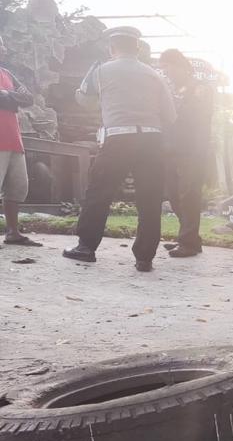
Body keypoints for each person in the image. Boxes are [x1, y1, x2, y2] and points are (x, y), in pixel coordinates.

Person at [64, 26, 176, 272]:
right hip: (151, 140)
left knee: (99, 192)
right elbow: (171, 114)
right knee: (150, 198)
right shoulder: (154, 74)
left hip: (118, 138)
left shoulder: (101, 71)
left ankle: (86, 247)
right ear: (137, 48)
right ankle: (144, 257)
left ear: (111, 48)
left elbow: (84, 100)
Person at [159, 49, 214, 258]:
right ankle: (190, 238)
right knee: (174, 196)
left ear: (181, 66)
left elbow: (200, 121)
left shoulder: (201, 89)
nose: (167, 73)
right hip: (171, 150)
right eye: (164, 69)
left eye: (169, 68)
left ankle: (188, 243)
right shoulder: (173, 89)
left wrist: (199, 151)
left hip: (192, 150)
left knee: (189, 195)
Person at [0, 35, 41, 248]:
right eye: (0, 46)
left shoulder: (7, 74)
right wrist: (12, 97)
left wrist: (7, 96)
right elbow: (15, 98)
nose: (4, 50)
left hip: (14, 140)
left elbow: (29, 99)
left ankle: (13, 232)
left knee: (17, 188)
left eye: (3, 46)